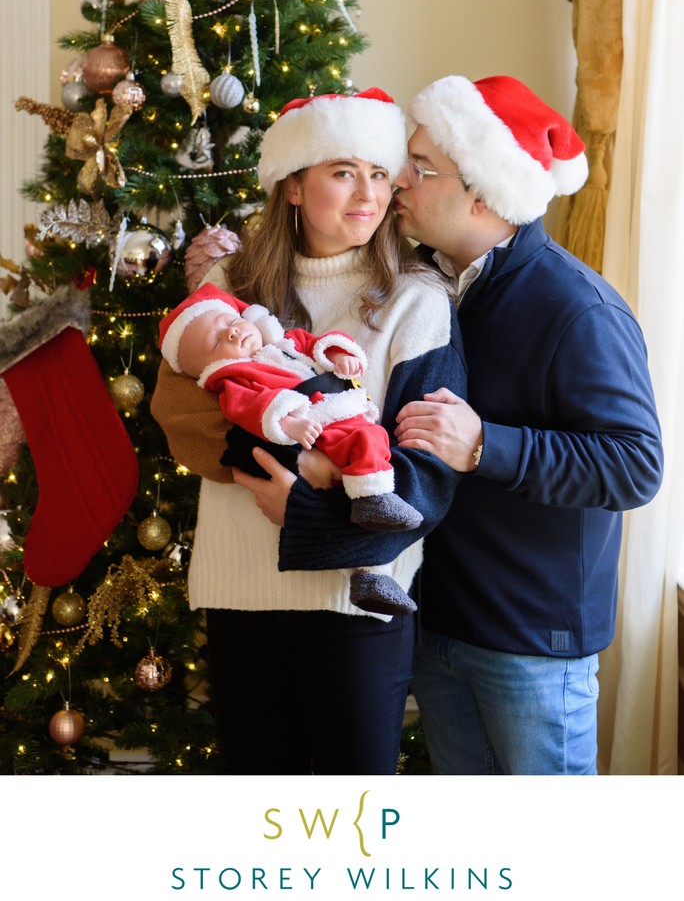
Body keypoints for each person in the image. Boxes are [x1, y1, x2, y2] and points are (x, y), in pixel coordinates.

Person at [150, 86, 467, 775]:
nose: (367, 193)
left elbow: (424, 480)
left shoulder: (417, 298)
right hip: (240, 590)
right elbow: (177, 416)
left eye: (380, 173)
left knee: (345, 821)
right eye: (343, 171)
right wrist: (291, 455)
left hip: (358, 604)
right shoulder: (232, 283)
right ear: (293, 185)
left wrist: (304, 508)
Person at [390, 73, 664, 776]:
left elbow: (635, 465)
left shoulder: (578, 309)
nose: (397, 181)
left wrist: (485, 444)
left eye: (419, 167)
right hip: (438, 624)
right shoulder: (425, 288)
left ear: (482, 193)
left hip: (531, 646)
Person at [157, 282, 423, 616]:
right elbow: (254, 409)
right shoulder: (236, 379)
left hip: (343, 416)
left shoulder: (286, 342)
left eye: (229, 323)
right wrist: (291, 429)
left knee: (371, 445)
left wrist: (340, 355)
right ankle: (369, 549)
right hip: (314, 429)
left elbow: (317, 346)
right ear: (208, 370)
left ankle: (373, 547)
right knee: (360, 453)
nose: (231, 334)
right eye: (215, 342)